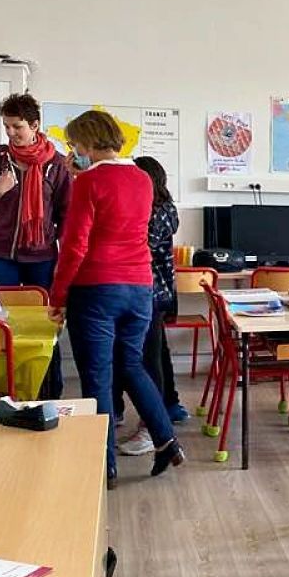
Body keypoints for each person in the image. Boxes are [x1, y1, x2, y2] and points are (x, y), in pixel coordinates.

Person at [49, 110, 183, 487]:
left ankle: (104, 466)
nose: (74, 152)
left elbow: (75, 245)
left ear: (88, 143)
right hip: (140, 288)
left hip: (96, 289)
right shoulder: (142, 179)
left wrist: (58, 296)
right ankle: (167, 441)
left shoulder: (88, 183)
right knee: (132, 366)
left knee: (98, 378)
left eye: (75, 145)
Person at [117, 156, 181, 455]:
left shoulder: (156, 213)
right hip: (150, 290)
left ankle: (152, 429)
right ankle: (166, 407)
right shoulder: (161, 210)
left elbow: (139, 246)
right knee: (155, 355)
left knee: (147, 359)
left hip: (149, 291)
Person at [0, 93, 71, 288]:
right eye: (6, 126)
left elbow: (66, 216)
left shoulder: (58, 164)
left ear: (34, 125)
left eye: (17, 126)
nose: (10, 132)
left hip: (41, 256)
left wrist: (65, 259)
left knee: (41, 307)